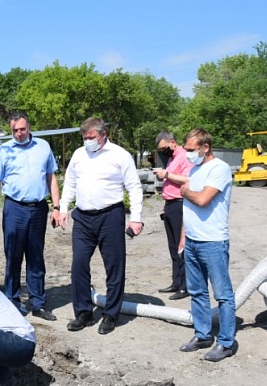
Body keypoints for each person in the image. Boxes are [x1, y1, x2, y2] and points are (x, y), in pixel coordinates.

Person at [56, 117, 144, 335]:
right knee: (78, 265)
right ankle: (83, 311)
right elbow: (70, 183)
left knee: (114, 266)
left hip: (110, 216)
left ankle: (111, 314)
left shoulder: (120, 155)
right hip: (83, 217)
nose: (87, 141)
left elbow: (133, 186)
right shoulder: (78, 155)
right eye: (84, 138)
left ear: (103, 134)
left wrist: (136, 217)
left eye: (91, 137)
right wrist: (63, 208)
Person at [0, 111, 60, 321]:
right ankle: (12, 302)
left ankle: (38, 303)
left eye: (22, 129)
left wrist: (56, 206)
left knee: (36, 256)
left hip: (38, 208)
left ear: (29, 128)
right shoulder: (4, 151)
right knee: (13, 256)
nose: (19, 133)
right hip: (15, 209)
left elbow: (51, 177)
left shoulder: (43, 147)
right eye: (14, 130)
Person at [178, 128, 237, 362]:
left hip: (212, 241)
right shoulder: (196, 169)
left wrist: (184, 191)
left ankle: (226, 342)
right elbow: (190, 209)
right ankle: (202, 334)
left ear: (205, 147)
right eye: (185, 149)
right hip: (193, 240)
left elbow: (202, 199)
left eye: (191, 150)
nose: (188, 154)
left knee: (223, 294)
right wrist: (184, 235)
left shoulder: (219, 169)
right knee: (197, 291)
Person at [152, 130, 192, 300]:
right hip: (170, 205)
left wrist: (166, 174)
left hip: (180, 204)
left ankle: (185, 286)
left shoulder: (184, 156)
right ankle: (176, 282)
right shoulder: (172, 158)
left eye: (164, 148)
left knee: (181, 246)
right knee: (172, 247)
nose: (163, 151)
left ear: (172, 142)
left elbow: (187, 179)